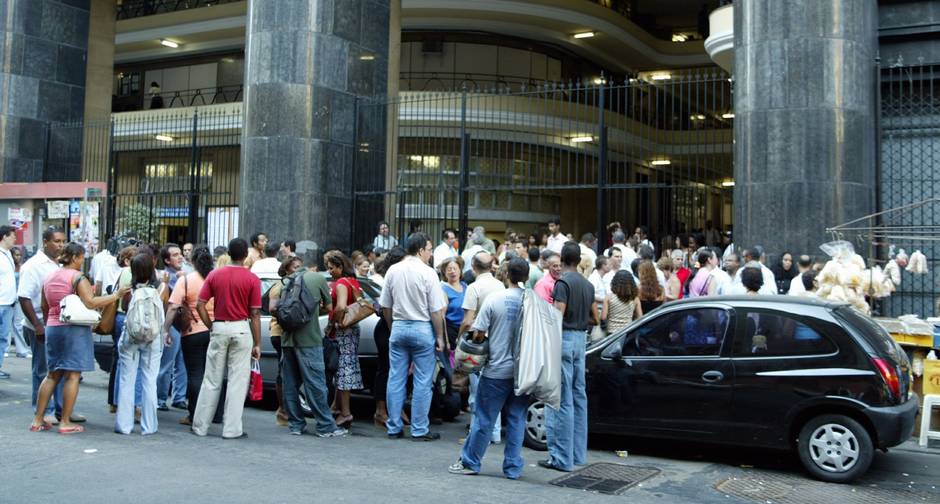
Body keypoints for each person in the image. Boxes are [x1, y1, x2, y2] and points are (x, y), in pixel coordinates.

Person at [30, 243, 129, 434]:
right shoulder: (78, 277)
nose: (83, 261)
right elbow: (90, 302)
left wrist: (49, 323)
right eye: (82, 257)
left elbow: (44, 306)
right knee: (73, 375)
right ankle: (65, 421)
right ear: (75, 257)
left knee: (52, 374)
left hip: (53, 326)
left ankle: (37, 419)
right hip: (73, 329)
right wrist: (115, 295)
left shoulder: (49, 276)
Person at [449, 258, 531, 479]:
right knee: (516, 419)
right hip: (523, 373)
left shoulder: (495, 300)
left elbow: (478, 333)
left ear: (506, 275)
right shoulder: (533, 302)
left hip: (495, 370)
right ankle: (513, 468)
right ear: (526, 276)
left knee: (485, 418)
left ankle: (471, 462)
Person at [379, 232, 447, 441]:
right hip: (421, 329)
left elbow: (385, 306)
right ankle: (419, 429)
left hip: (399, 328)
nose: (430, 253)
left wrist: (392, 327)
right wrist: (440, 336)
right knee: (422, 381)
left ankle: (394, 426)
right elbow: (436, 311)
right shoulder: (428, 273)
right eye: (429, 249)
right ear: (420, 250)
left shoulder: (393, 270)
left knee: (395, 379)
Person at [191, 238, 262, 439]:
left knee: (211, 378)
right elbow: (255, 314)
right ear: (245, 256)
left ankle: (200, 426)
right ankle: (231, 429)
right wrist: (258, 343)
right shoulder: (252, 279)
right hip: (241, 328)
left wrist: (211, 326)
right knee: (237, 381)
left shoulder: (215, 275)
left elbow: (200, 304)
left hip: (220, 326)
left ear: (229, 253)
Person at [276, 253, 346, 438]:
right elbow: (331, 308)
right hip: (309, 339)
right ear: (313, 267)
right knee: (315, 383)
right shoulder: (317, 278)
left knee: (290, 384)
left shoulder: (287, 280)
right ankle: (325, 426)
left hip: (287, 340)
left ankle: (296, 425)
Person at [540, 242, 597, 472]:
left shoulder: (562, 283)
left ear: (563, 259)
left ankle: (561, 458)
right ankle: (577, 455)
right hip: (580, 339)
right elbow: (596, 318)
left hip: (564, 339)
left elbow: (556, 318)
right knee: (578, 397)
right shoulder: (587, 284)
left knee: (561, 400)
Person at [164, 246, 224, 426]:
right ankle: (216, 414)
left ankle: (195, 415)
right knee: (214, 374)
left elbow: (173, 306)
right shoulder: (218, 279)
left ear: (193, 262)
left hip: (193, 332)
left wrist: (166, 329)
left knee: (195, 374)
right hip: (216, 330)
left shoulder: (186, 280)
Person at [115, 253, 170, 435]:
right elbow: (164, 310)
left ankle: (124, 425)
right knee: (149, 381)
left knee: (127, 380)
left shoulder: (128, 290)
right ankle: (149, 426)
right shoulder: (162, 288)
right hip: (154, 338)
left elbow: (125, 310)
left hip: (131, 338)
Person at [18, 226, 66, 422]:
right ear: (45, 241)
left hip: (59, 323)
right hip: (39, 324)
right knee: (42, 370)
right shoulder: (33, 265)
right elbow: (24, 297)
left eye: (63, 241)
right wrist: (38, 326)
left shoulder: (60, 264)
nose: (61, 245)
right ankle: (43, 410)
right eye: (57, 241)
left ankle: (62, 410)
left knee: (61, 368)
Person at [458, 251, 505, 444]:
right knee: (493, 390)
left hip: (478, 344)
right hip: (498, 341)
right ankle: (494, 432)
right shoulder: (500, 285)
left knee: (476, 391)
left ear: (473, 267)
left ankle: (477, 433)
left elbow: (468, 321)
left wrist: (460, 337)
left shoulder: (474, 287)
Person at [325, 251, 364, 428]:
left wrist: (334, 322)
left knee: (343, 371)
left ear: (340, 267)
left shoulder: (341, 283)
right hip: (353, 329)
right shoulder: (353, 282)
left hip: (343, 330)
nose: (329, 271)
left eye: (331, 268)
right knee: (346, 368)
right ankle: (336, 406)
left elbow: (340, 306)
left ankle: (346, 413)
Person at [371, 247, 406, 429]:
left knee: (397, 371)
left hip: (392, 328)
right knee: (385, 369)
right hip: (386, 328)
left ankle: (395, 409)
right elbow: (384, 306)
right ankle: (381, 410)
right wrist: (393, 327)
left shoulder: (398, 277)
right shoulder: (390, 279)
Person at [265, 255, 303, 426]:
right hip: (279, 333)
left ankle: (288, 407)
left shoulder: (299, 284)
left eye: (300, 266)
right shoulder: (279, 286)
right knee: (283, 370)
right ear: (287, 269)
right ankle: (282, 409)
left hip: (292, 333)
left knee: (292, 370)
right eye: (295, 267)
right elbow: (272, 308)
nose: (299, 270)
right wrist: (288, 314)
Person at [157, 243, 188, 412]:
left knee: (182, 362)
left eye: (180, 253)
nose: (180, 257)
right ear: (167, 260)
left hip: (184, 322)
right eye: (175, 255)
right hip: (171, 323)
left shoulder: (185, 274)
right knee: (167, 362)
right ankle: (160, 398)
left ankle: (179, 397)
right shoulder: (164, 277)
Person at [0, 225, 17, 378]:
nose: (15, 239)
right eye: (12, 236)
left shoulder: (8, 255)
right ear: (4, 237)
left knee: (4, 338)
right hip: (1, 303)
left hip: (9, 302)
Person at [439, 257, 466, 351]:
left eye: (455, 268)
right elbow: (441, 317)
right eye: (449, 269)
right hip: (451, 330)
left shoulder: (465, 286)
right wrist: (446, 341)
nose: (452, 271)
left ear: (460, 270)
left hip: (465, 329)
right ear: (444, 272)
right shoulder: (443, 289)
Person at [606, 270, 642, 334]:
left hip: (612, 333)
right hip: (627, 331)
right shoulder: (635, 298)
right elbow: (640, 317)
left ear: (615, 282)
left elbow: (603, 317)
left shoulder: (609, 297)